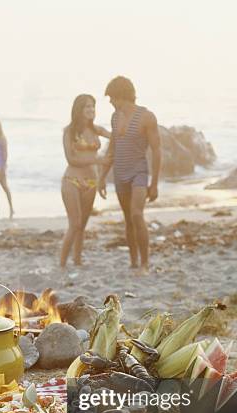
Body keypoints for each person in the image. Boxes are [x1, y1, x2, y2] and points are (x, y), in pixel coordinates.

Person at [98, 76, 161, 274]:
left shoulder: (146, 116)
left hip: (139, 172)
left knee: (136, 214)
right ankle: (133, 261)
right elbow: (112, 149)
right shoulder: (115, 117)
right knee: (128, 218)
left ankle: (145, 263)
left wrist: (155, 183)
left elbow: (157, 150)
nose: (110, 103)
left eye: (112, 99)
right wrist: (101, 177)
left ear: (121, 96)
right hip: (120, 173)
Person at [60, 94, 111, 268]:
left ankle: (77, 260)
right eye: (87, 106)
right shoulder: (69, 131)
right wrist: (98, 160)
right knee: (74, 224)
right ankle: (61, 264)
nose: (90, 110)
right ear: (78, 110)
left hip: (91, 182)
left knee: (82, 225)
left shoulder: (97, 130)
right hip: (72, 180)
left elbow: (117, 137)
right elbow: (71, 160)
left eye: (93, 106)